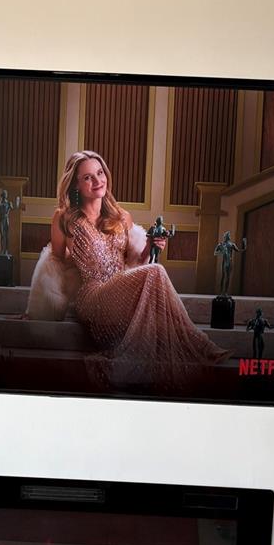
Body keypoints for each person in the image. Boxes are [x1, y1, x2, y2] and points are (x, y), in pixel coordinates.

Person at [50, 151, 226, 390]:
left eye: (100, 173)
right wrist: (41, 306)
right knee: (156, 271)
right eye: (88, 177)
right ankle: (200, 344)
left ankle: (191, 347)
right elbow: (55, 263)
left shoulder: (121, 216)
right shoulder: (64, 218)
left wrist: (152, 246)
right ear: (75, 185)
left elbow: (133, 261)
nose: (98, 181)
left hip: (122, 289)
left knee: (154, 271)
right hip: (93, 297)